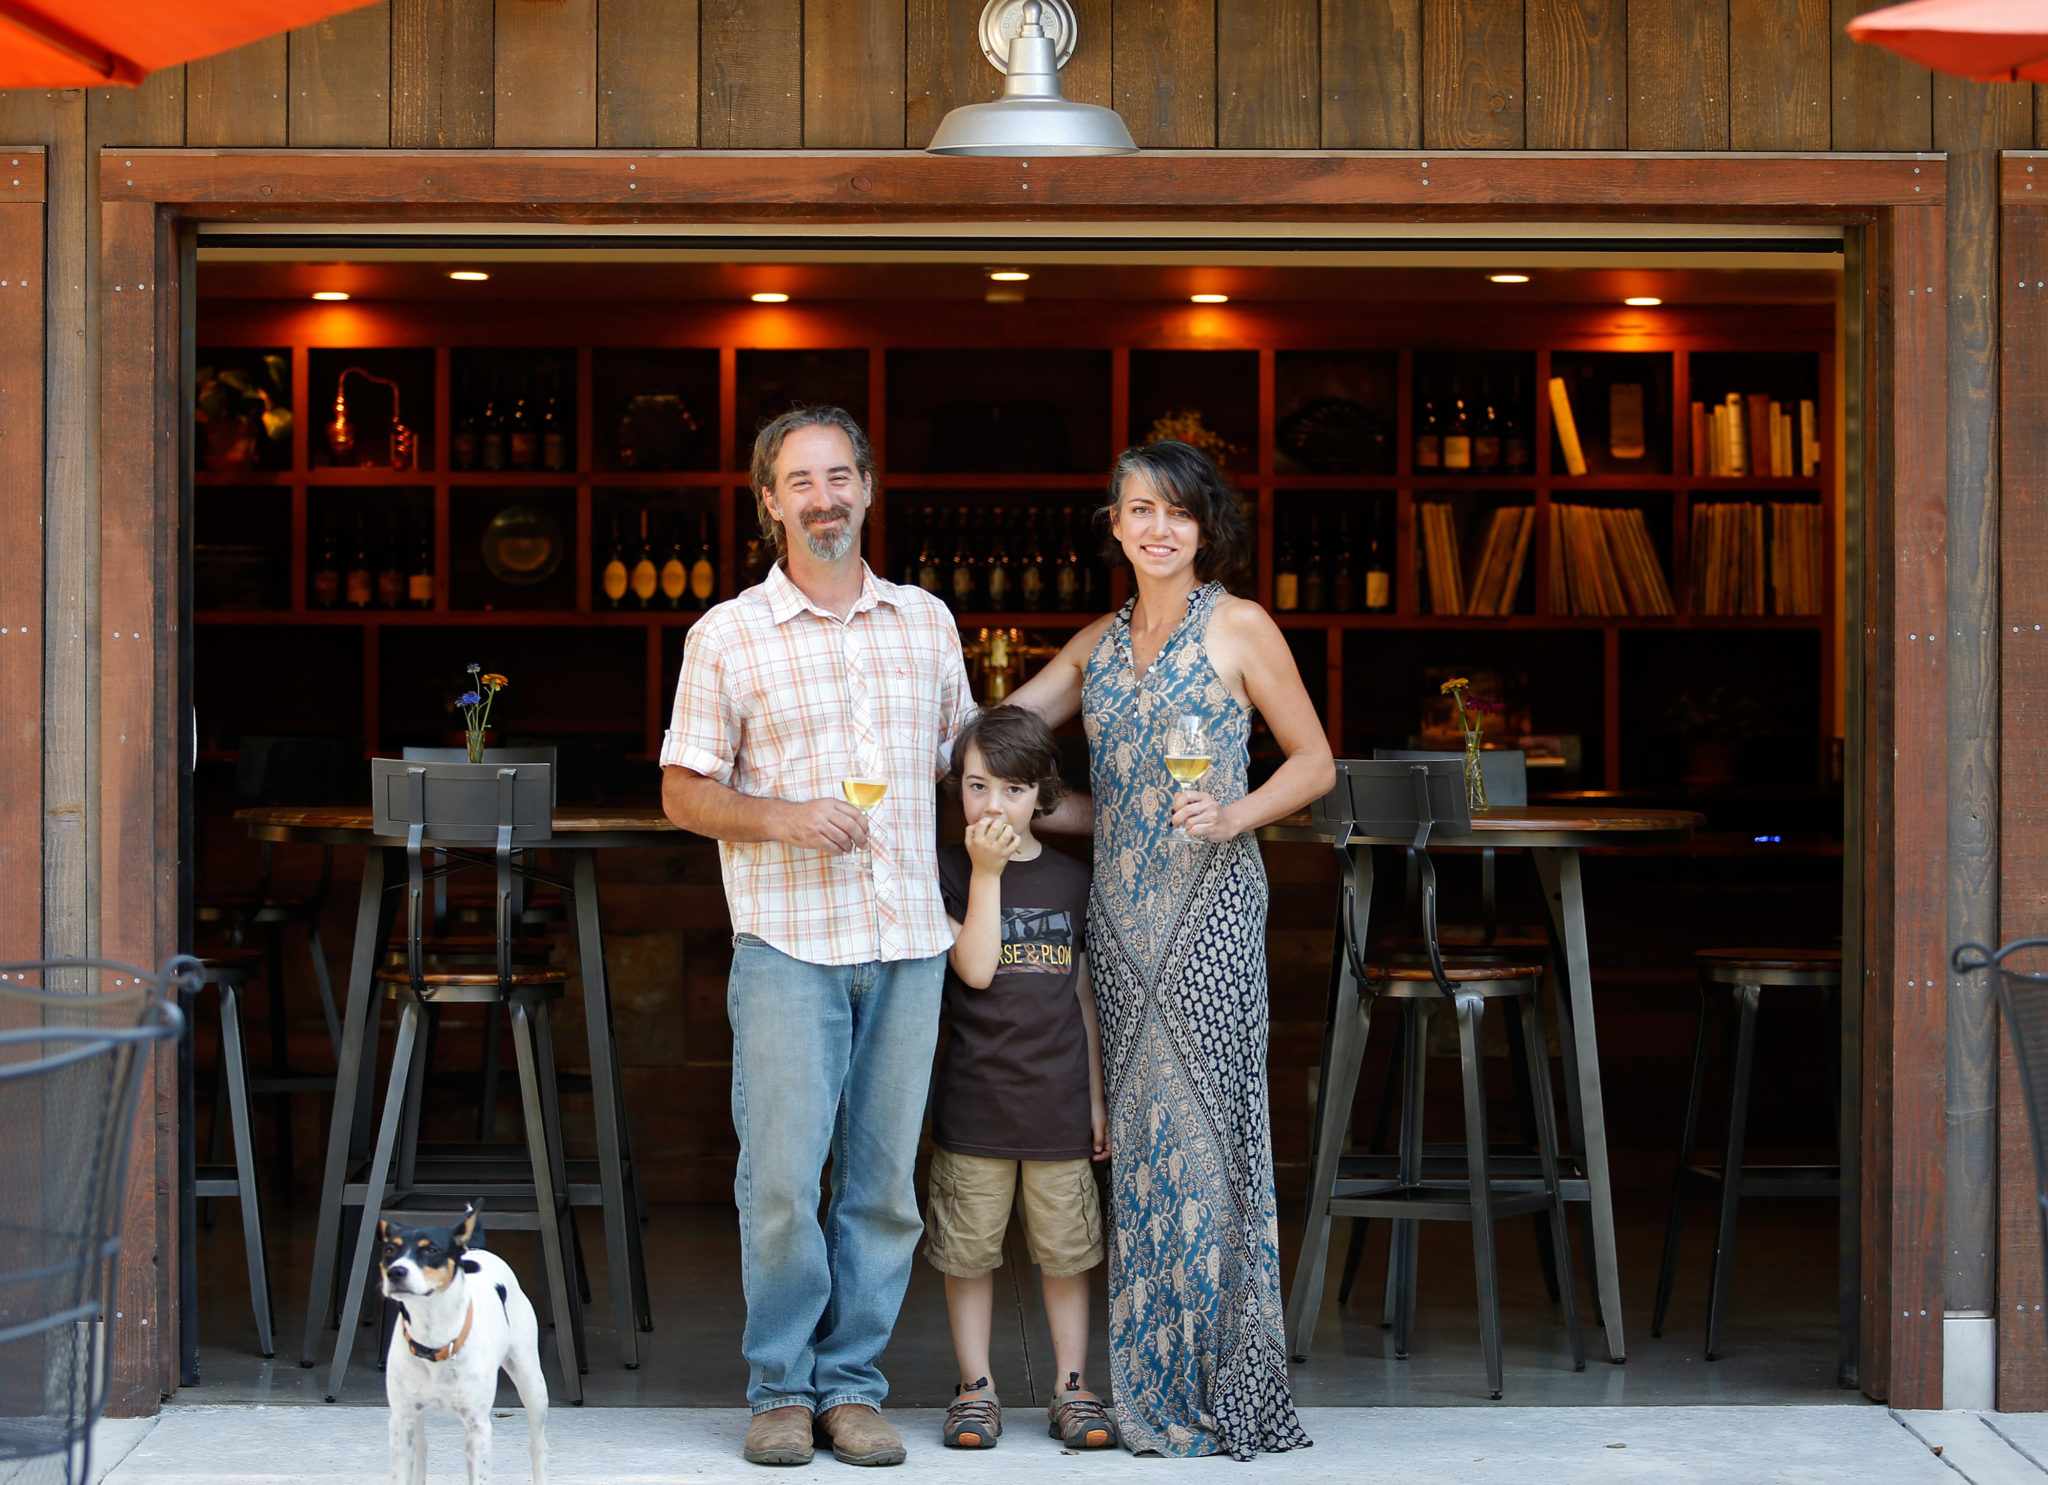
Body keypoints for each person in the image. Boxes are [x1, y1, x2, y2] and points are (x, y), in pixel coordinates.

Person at [660, 405, 973, 1469]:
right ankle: (780, 1389)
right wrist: (782, 817)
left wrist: (1036, 811)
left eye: (840, 476)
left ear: (869, 489)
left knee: (884, 1188)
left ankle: (851, 1387)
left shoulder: (926, 622)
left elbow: (958, 762)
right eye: (802, 482)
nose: (825, 497)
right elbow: (681, 791)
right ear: (768, 503)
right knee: (788, 1179)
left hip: (908, 941)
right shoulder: (726, 635)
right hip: (790, 942)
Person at [1010, 440, 1334, 1460]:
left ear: (1205, 527)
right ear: (1112, 524)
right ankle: (1148, 1384)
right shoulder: (1094, 646)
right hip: (1119, 920)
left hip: (1209, 917)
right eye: (1137, 510)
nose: (1156, 529)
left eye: (1176, 514)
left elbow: (1316, 761)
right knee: (1143, 1159)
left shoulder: (1237, 625)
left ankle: (1223, 1387)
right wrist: (1018, 798)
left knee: (1208, 1146)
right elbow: (1000, 740)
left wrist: (1233, 812)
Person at [924, 705, 1116, 1455]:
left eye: (1010, 789)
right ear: (957, 789)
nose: (992, 805)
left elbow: (1084, 997)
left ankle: (1073, 1383)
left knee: (1067, 1252)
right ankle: (976, 1385)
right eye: (976, 786)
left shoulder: (1073, 879)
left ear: (1042, 794)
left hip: (1059, 1104)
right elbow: (972, 967)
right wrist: (986, 872)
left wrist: (1096, 1096)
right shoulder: (945, 870)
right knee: (967, 1252)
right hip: (976, 1104)